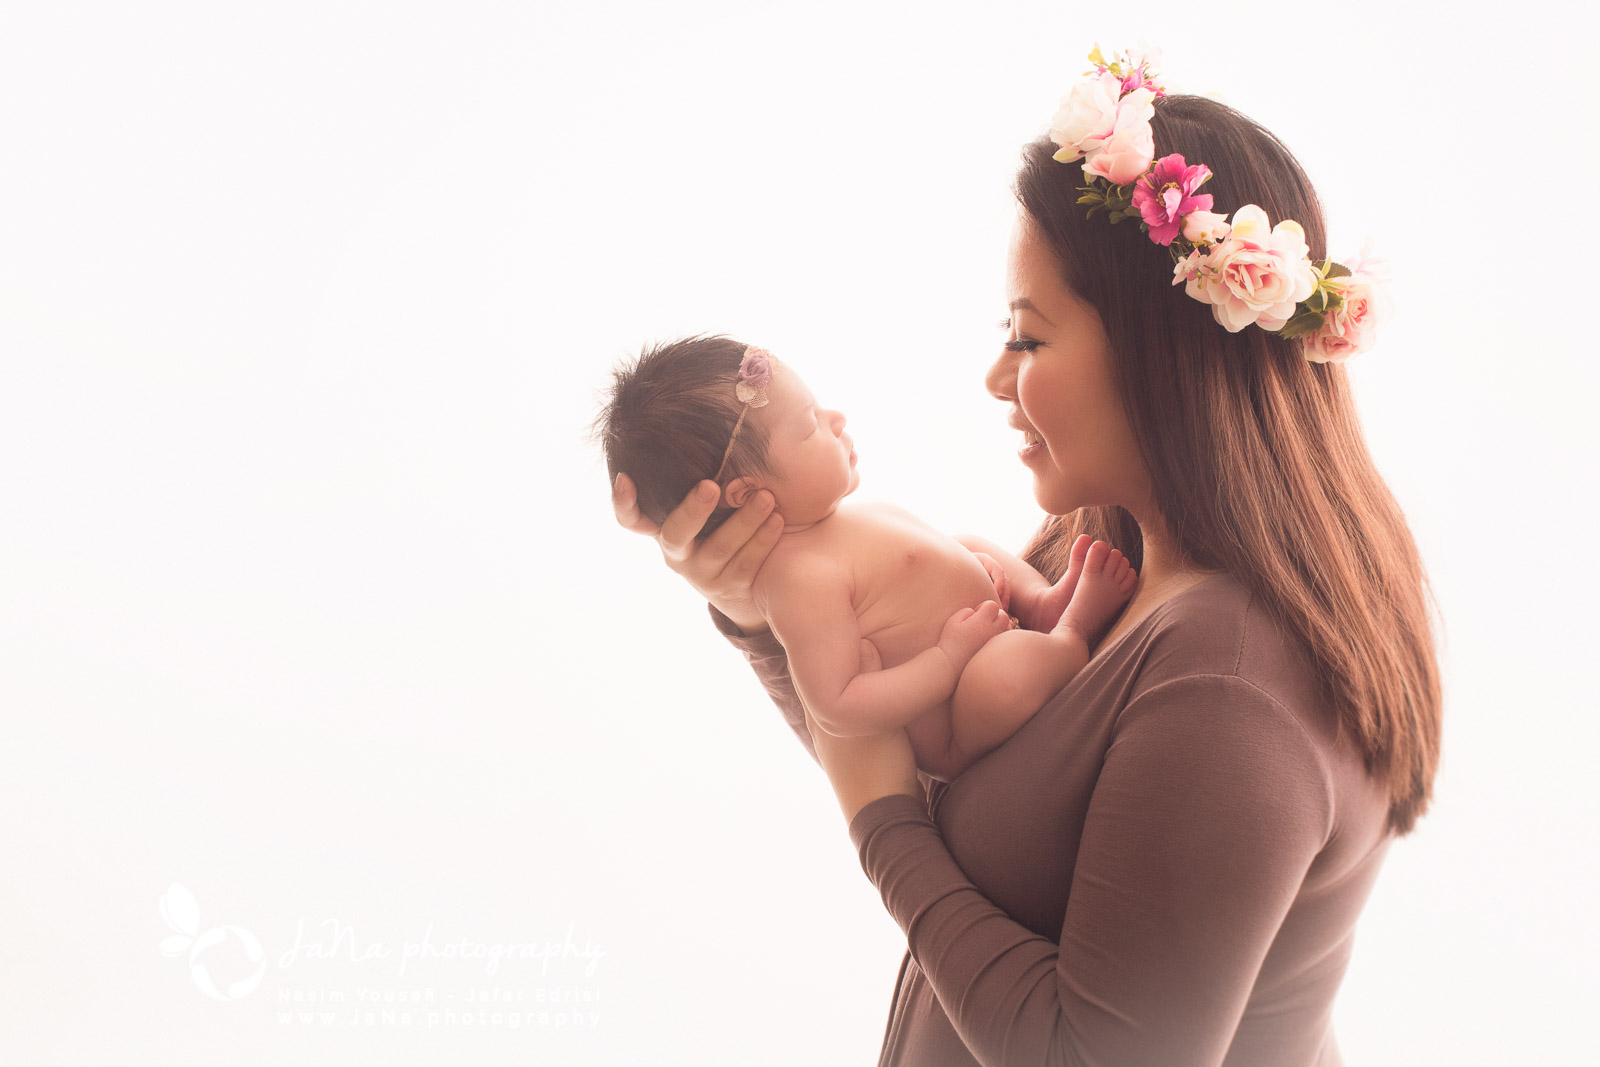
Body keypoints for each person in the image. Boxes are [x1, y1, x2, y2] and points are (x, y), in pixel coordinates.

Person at [611, 47, 1441, 1066]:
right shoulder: (1097, 551)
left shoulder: (1230, 674)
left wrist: (880, 829)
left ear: (1158, 351)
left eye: (1029, 338)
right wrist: (760, 604)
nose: (997, 377)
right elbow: (907, 738)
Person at [594, 336, 1140, 782]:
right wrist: (949, 659)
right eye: (809, 425)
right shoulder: (796, 580)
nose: (835, 418)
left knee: (970, 542)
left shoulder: (837, 521)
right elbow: (840, 704)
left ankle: (1042, 605)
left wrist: (974, 576)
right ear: (745, 493)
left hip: (989, 628)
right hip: (964, 711)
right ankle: (1070, 633)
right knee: (1001, 676)